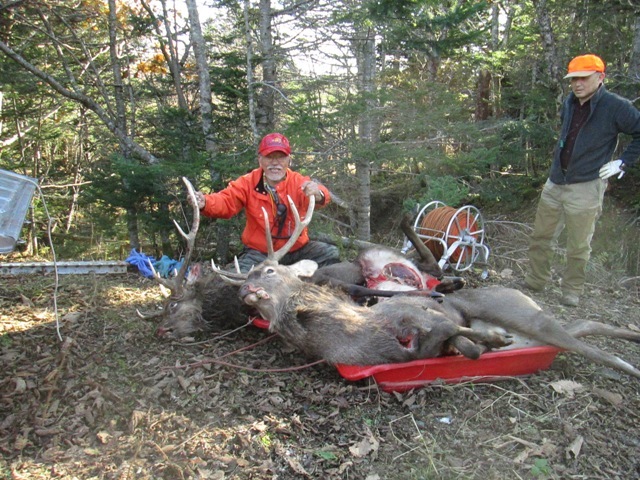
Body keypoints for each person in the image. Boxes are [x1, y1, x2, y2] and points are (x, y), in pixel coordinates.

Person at [523, 54, 640, 307]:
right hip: (556, 182)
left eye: (584, 78)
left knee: (578, 245)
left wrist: (623, 162)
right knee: (541, 236)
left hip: (587, 186)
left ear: (600, 77)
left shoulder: (615, 106)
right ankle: (536, 280)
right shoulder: (570, 102)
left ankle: (572, 291)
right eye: (574, 79)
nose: (578, 84)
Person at [192, 132, 341, 272]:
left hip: (296, 252)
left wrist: (318, 193)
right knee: (239, 277)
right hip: (260, 254)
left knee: (330, 254)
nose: (275, 163)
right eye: (269, 157)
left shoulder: (298, 182)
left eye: (281, 157)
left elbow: (321, 196)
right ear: (260, 159)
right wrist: (205, 201)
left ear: (289, 160)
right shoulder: (247, 183)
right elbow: (225, 201)